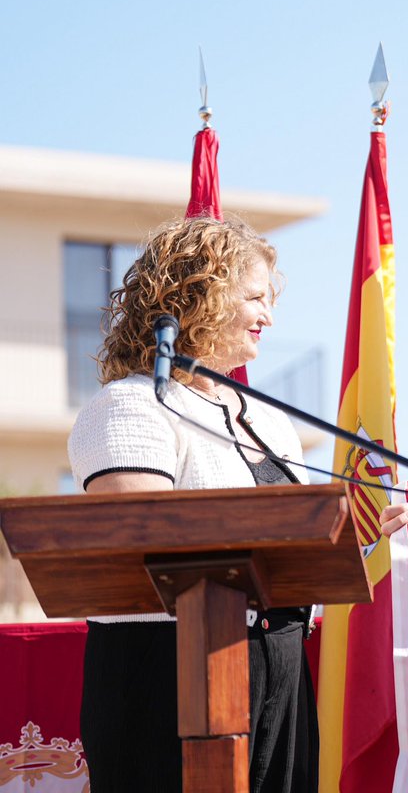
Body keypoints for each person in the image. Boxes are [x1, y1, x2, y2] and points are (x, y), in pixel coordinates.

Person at [68, 217, 317, 793]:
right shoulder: (129, 406)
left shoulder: (270, 421)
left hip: (278, 659)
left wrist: (350, 538)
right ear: (197, 294)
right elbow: (142, 539)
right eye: (255, 297)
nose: (269, 316)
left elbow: (294, 549)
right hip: (168, 667)